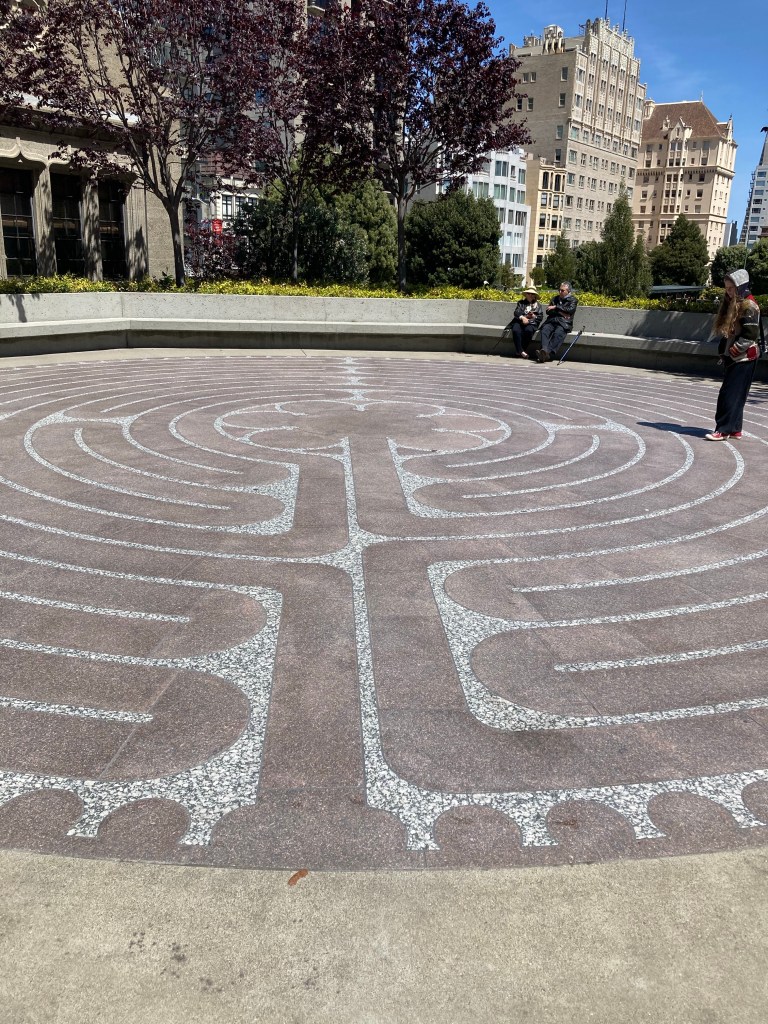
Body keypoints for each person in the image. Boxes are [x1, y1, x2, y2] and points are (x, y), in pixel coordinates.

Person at [705, 269, 761, 441]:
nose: (728, 292)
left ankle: (723, 430)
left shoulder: (748, 306)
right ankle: (735, 428)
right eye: (727, 288)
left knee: (729, 394)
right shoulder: (738, 303)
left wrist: (732, 351)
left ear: (740, 287)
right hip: (740, 357)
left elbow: (750, 335)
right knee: (737, 393)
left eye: (731, 288)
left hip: (743, 357)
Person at [536, 281, 578, 362]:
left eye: (562, 290)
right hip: (551, 320)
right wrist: (561, 312)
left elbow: (570, 310)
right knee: (545, 330)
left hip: (564, 323)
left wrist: (555, 307)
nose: (560, 292)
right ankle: (544, 351)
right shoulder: (554, 298)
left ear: (568, 291)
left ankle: (545, 353)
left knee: (558, 333)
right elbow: (548, 311)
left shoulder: (573, 300)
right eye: (559, 290)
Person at [506, 285, 544, 358]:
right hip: (519, 321)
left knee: (528, 330)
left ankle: (519, 351)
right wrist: (523, 317)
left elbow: (540, 318)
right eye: (528, 293)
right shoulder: (521, 303)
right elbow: (516, 312)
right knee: (515, 330)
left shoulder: (538, 305)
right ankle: (521, 351)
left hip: (531, 323)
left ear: (534, 295)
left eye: (532, 294)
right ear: (526, 294)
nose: (530, 295)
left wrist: (532, 318)